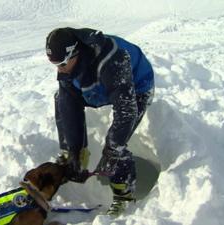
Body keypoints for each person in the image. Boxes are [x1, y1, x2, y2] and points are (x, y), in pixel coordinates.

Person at [45, 27, 154, 215]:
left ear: (75, 53)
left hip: (135, 89)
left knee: (116, 145)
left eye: (62, 63)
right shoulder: (67, 67)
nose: (59, 69)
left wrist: (112, 150)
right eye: (54, 64)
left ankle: (124, 195)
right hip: (98, 86)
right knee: (61, 99)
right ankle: (69, 154)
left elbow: (126, 110)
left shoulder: (113, 59)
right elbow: (70, 107)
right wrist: (75, 150)